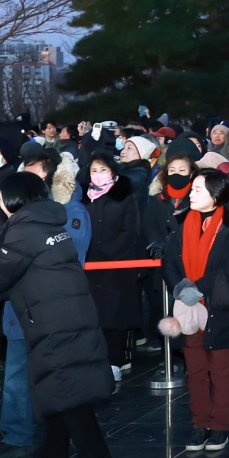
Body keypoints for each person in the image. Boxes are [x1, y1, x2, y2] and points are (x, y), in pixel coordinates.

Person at [0, 171, 116, 458]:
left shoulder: (23, 229)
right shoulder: (48, 222)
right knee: (52, 385)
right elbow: (27, 273)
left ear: (13, 199)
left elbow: (3, 271)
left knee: (65, 385)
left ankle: (95, 454)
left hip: (55, 318)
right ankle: (53, 454)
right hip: (61, 313)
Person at [160, 169, 229, 452]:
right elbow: (169, 260)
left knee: (220, 369)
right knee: (195, 370)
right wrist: (181, 288)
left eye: (198, 189)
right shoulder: (181, 221)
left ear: (215, 194)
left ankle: (220, 426)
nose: (191, 193)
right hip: (188, 306)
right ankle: (200, 424)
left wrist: (197, 288)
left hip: (218, 305)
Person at [81, 150, 152, 380]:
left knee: (115, 316)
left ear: (112, 171)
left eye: (103, 170)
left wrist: (109, 253)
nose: (98, 175)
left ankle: (116, 362)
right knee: (92, 315)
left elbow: (130, 230)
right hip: (88, 266)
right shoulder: (82, 195)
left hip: (117, 265)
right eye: (94, 170)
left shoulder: (124, 194)